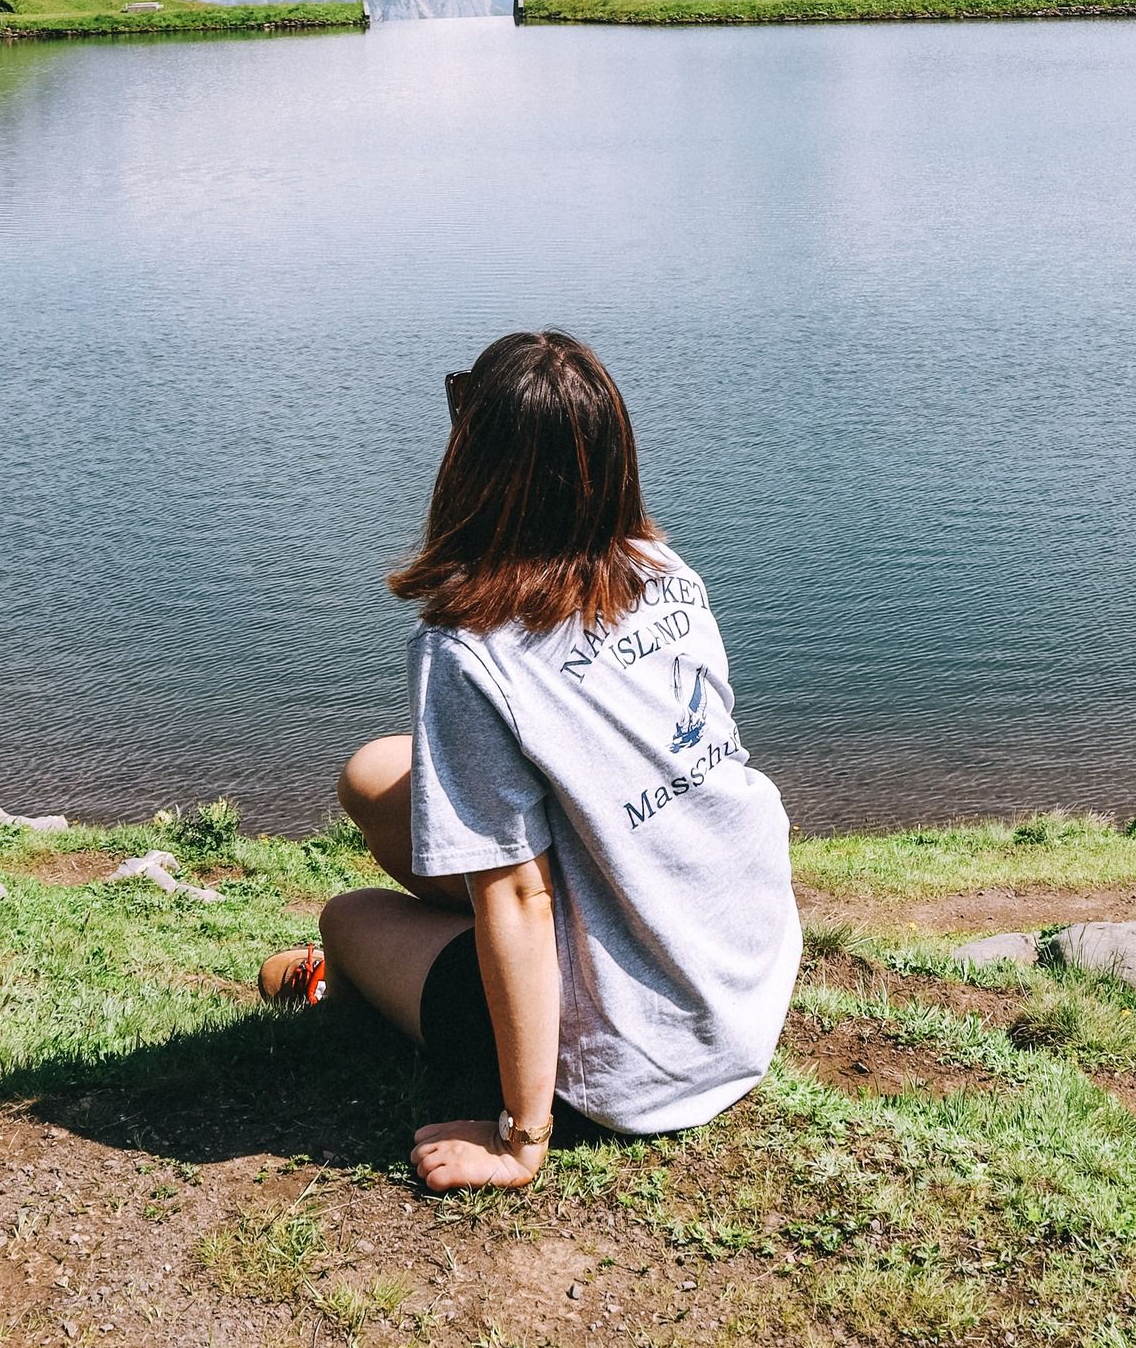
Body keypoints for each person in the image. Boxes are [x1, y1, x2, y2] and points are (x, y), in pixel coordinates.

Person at [257, 329, 801, 1192]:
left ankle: (352, 985)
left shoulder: (466, 648)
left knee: (348, 918)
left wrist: (522, 1137)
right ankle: (442, 954)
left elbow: (518, 895)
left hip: (636, 1056)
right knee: (375, 772)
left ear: (473, 463)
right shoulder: (664, 570)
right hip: (740, 978)